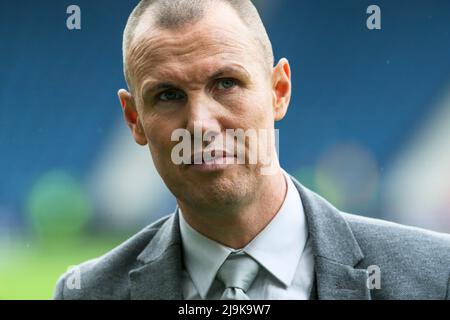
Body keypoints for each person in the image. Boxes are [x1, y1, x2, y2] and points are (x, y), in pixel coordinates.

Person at [54, 0, 450, 300]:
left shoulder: (436, 277)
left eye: (225, 83)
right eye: (168, 94)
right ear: (134, 119)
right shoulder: (86, 293)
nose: (200, 125)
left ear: (279, 91)